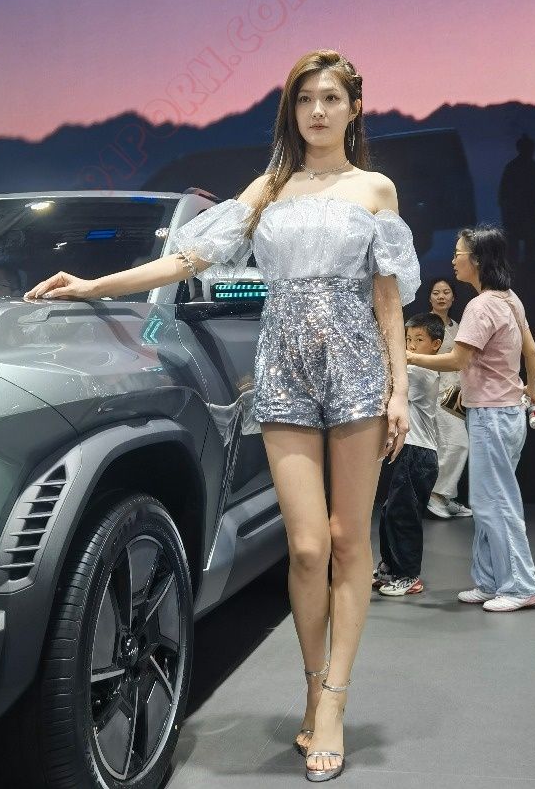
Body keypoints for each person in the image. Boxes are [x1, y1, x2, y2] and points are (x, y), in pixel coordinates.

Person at [23, 49, 421, 782]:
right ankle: (312, 685)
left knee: (347, 539)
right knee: (306, 548)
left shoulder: (374, 189)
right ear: (291, 110)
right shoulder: (267, 189)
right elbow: (186, 262)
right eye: (305, 99)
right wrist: (94, 285)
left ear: (354, 108)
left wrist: (400, 390)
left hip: (358, 370)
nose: (318, 112)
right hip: (284, 372)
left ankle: (334, 701)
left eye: (331, 98)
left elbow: (388, 297)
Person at [406, 225, 535, 613]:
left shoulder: (481, 307)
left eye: (458, 254)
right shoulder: (509, 299)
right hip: (507, 412)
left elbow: (457, 360)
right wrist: (531, 390)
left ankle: (521, 585)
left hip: (492, 416)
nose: (453, 260)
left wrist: (409, 356)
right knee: (487, 501)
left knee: (495, 501)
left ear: (477, 260)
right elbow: (531, 352)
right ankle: (489, 581)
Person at [373, 312, 442, 597]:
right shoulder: (411, 369)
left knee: (404, 515)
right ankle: (390, 567)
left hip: (419, 454)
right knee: (391, 511)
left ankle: (408, 575)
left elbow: (386, 379)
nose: (411, 346)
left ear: (436, 345)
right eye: (408, 339)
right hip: (411, 452)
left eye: (419, 340)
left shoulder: (420, 373)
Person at [425, 278, 471, 519]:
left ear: (453, 297)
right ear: (429, 297)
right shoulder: (422, 325)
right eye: (436, 292)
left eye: (446, 292)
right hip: (432, 391)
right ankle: (436, 495)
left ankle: (445, 496)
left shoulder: (458, 326)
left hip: (456, 394)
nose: (441, 296)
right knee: (456, 443)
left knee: (447, 445)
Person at [498, 133, 535, 262]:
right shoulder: (531, 166)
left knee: (517, 244)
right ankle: (528, 269)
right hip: (521, 211)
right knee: (525, 244)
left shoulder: (513, 166)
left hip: (517, 211)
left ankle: (523, 269)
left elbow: (503, 192)